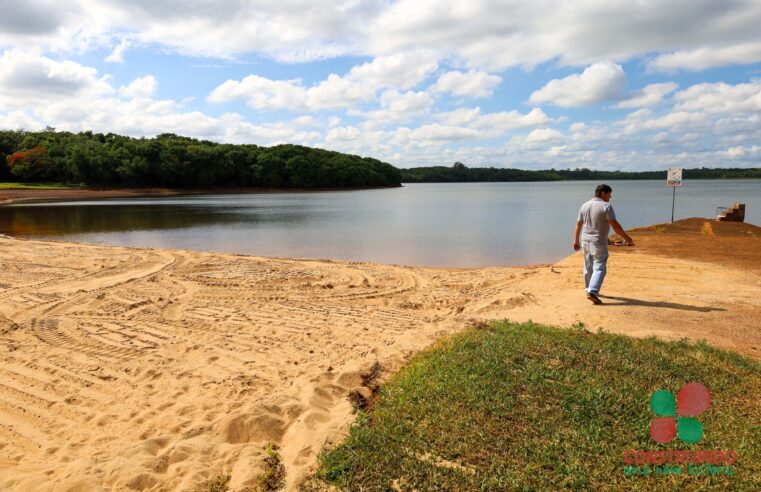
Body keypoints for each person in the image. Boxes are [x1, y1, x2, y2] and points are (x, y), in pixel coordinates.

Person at [572, 184, 634, 304]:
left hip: (585, 241)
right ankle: (593, 292)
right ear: (603, 193)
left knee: (588, 267)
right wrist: (627, 238)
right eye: (609, 195)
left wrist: (576, 240)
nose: (609, 198)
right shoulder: (606, 206)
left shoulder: (584, 205)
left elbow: (578, 224)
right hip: (598, 242)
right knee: (600, 267)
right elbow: (615, 225)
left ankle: (588, 289)